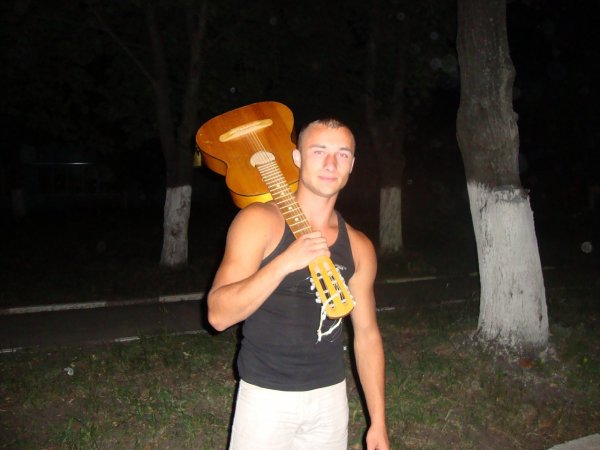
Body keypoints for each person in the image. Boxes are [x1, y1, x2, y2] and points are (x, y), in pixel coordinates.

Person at [207, 118, 390, 450]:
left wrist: (378, 421)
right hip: (266, 399)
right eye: (319, 151)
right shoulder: (259, 221)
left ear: (352, 164)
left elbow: (367, 334)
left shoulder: (359, 246)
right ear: (297, 158)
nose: (331, 163)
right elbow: (219, 315)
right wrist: (285, 262)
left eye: (343, 154)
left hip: (330, 400)